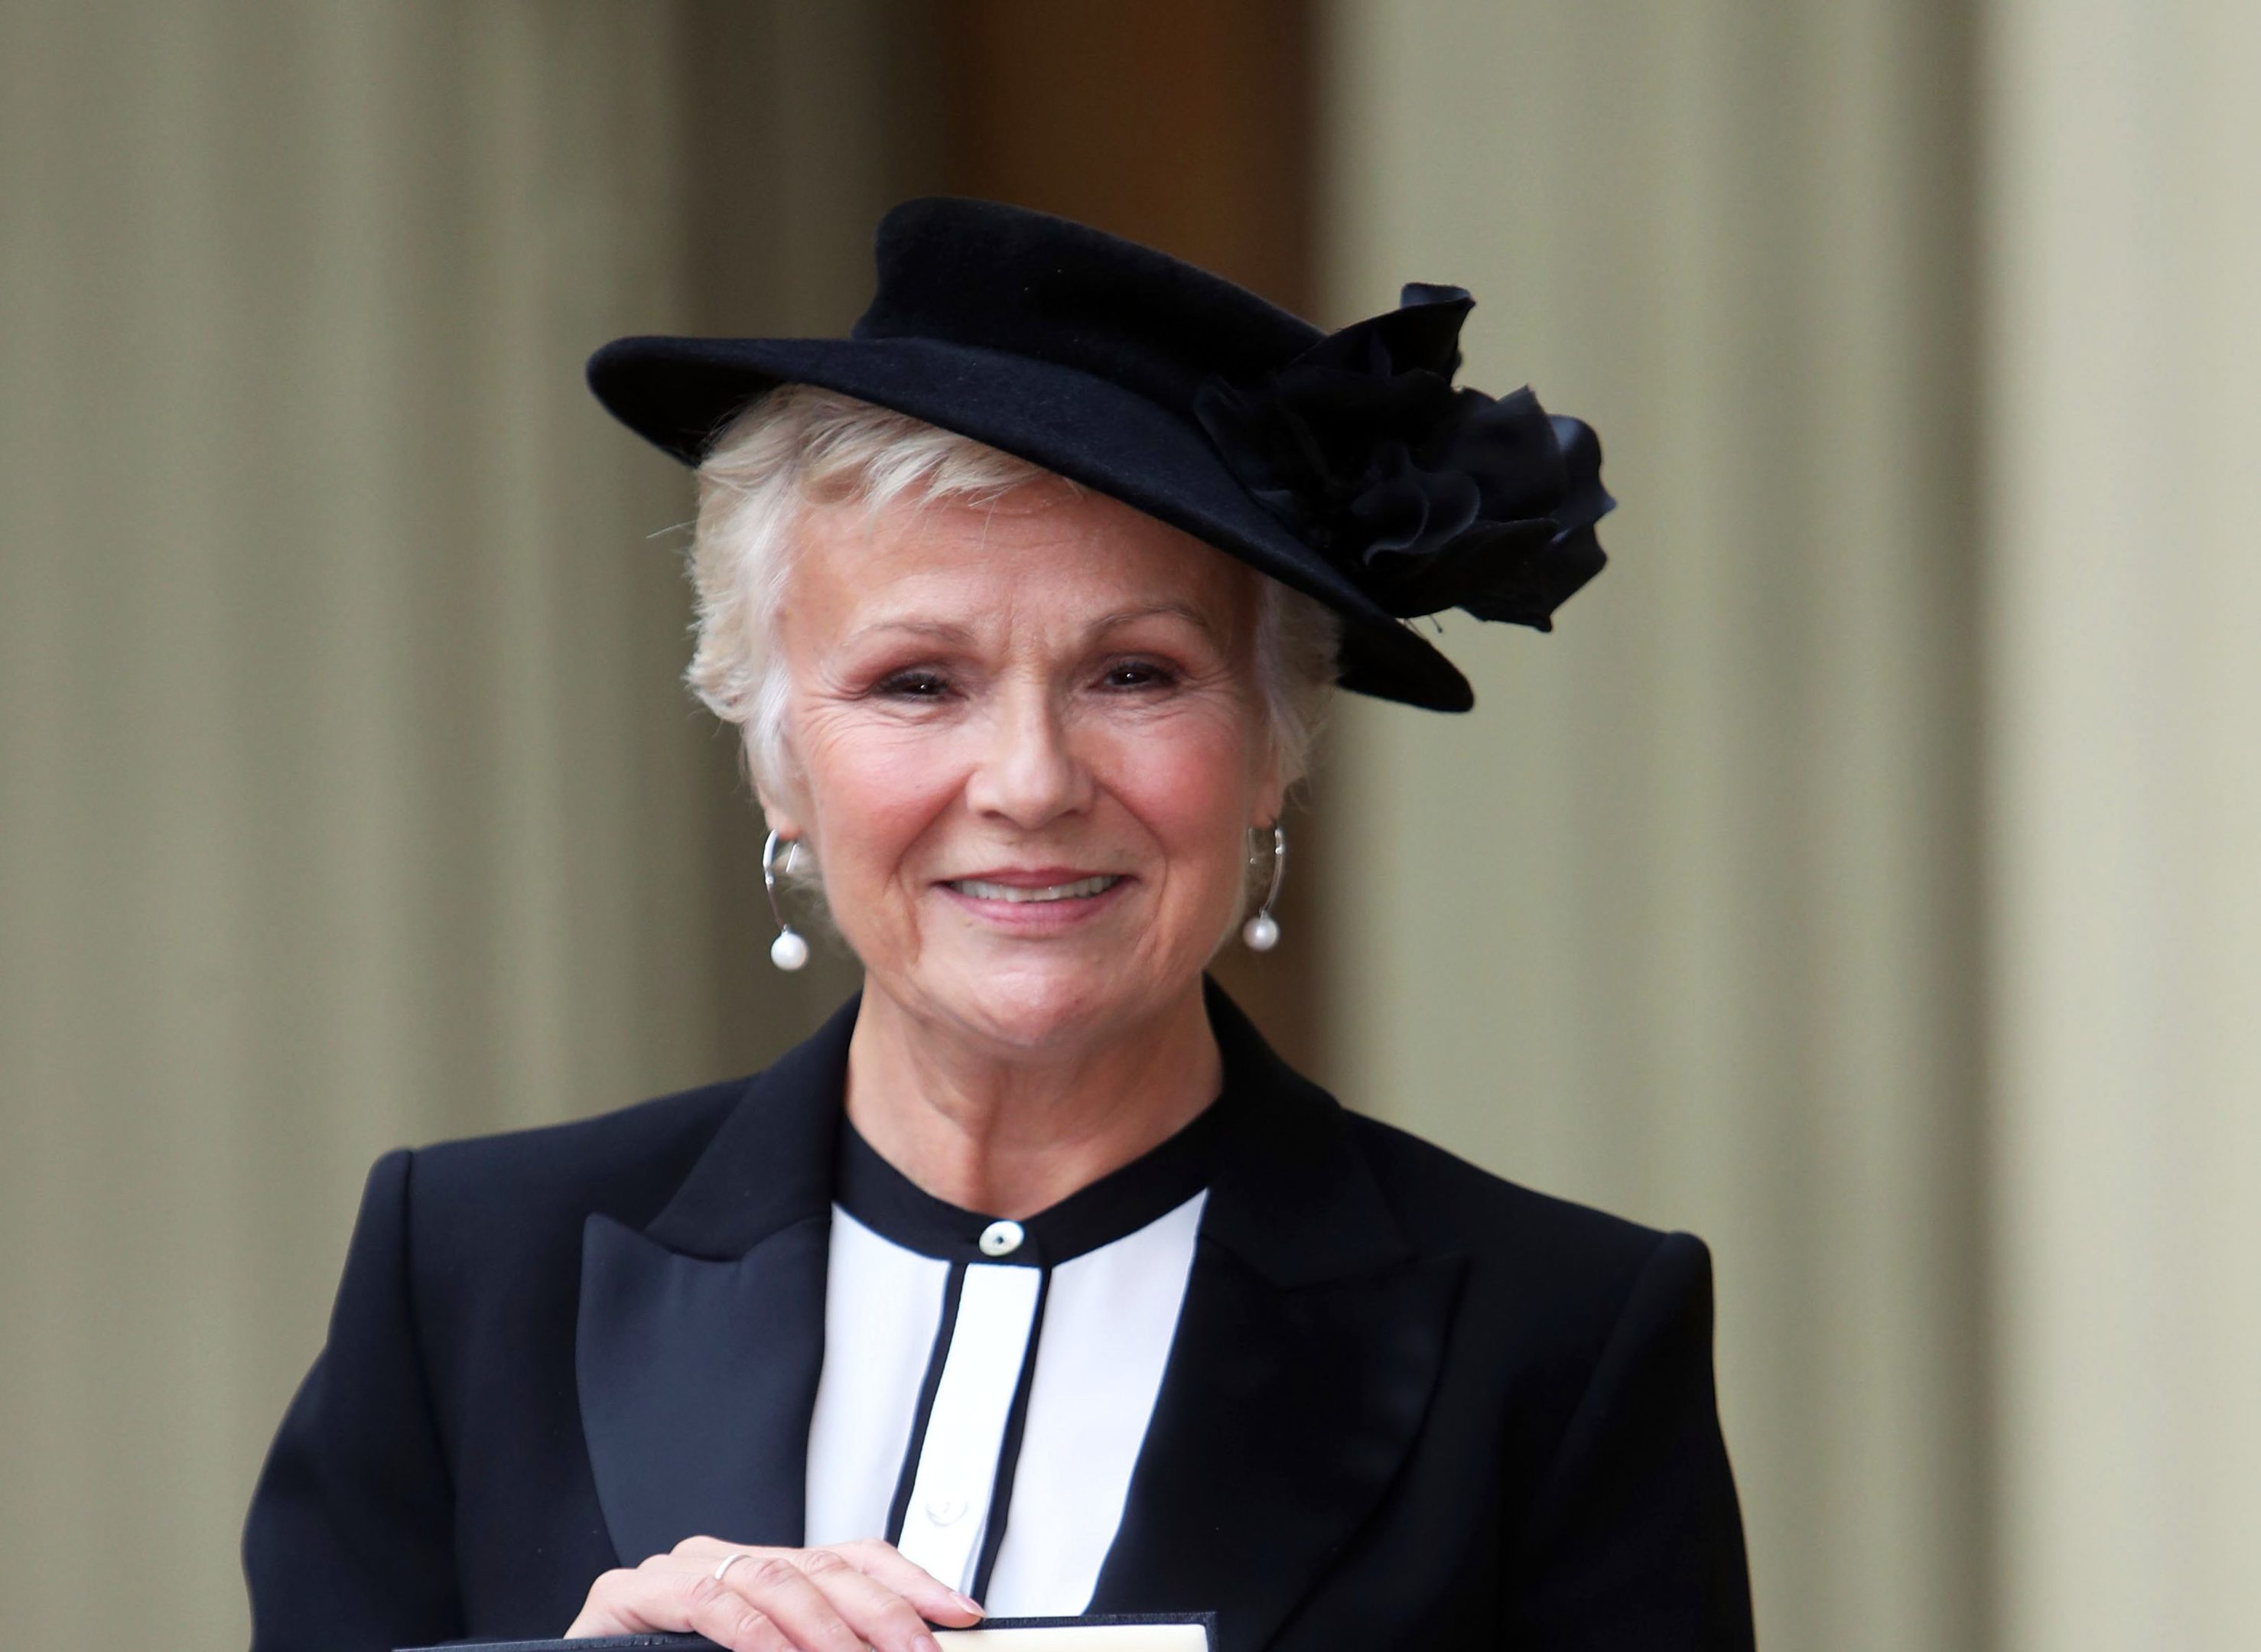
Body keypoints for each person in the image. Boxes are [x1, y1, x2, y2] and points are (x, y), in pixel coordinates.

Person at [242, 199, 1753, 1652]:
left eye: (1136, 675)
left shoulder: (1557, 1338)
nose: (1029, 784)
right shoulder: (472, 1276)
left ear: (1274, 748)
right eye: (917, 683)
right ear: (777, 760)